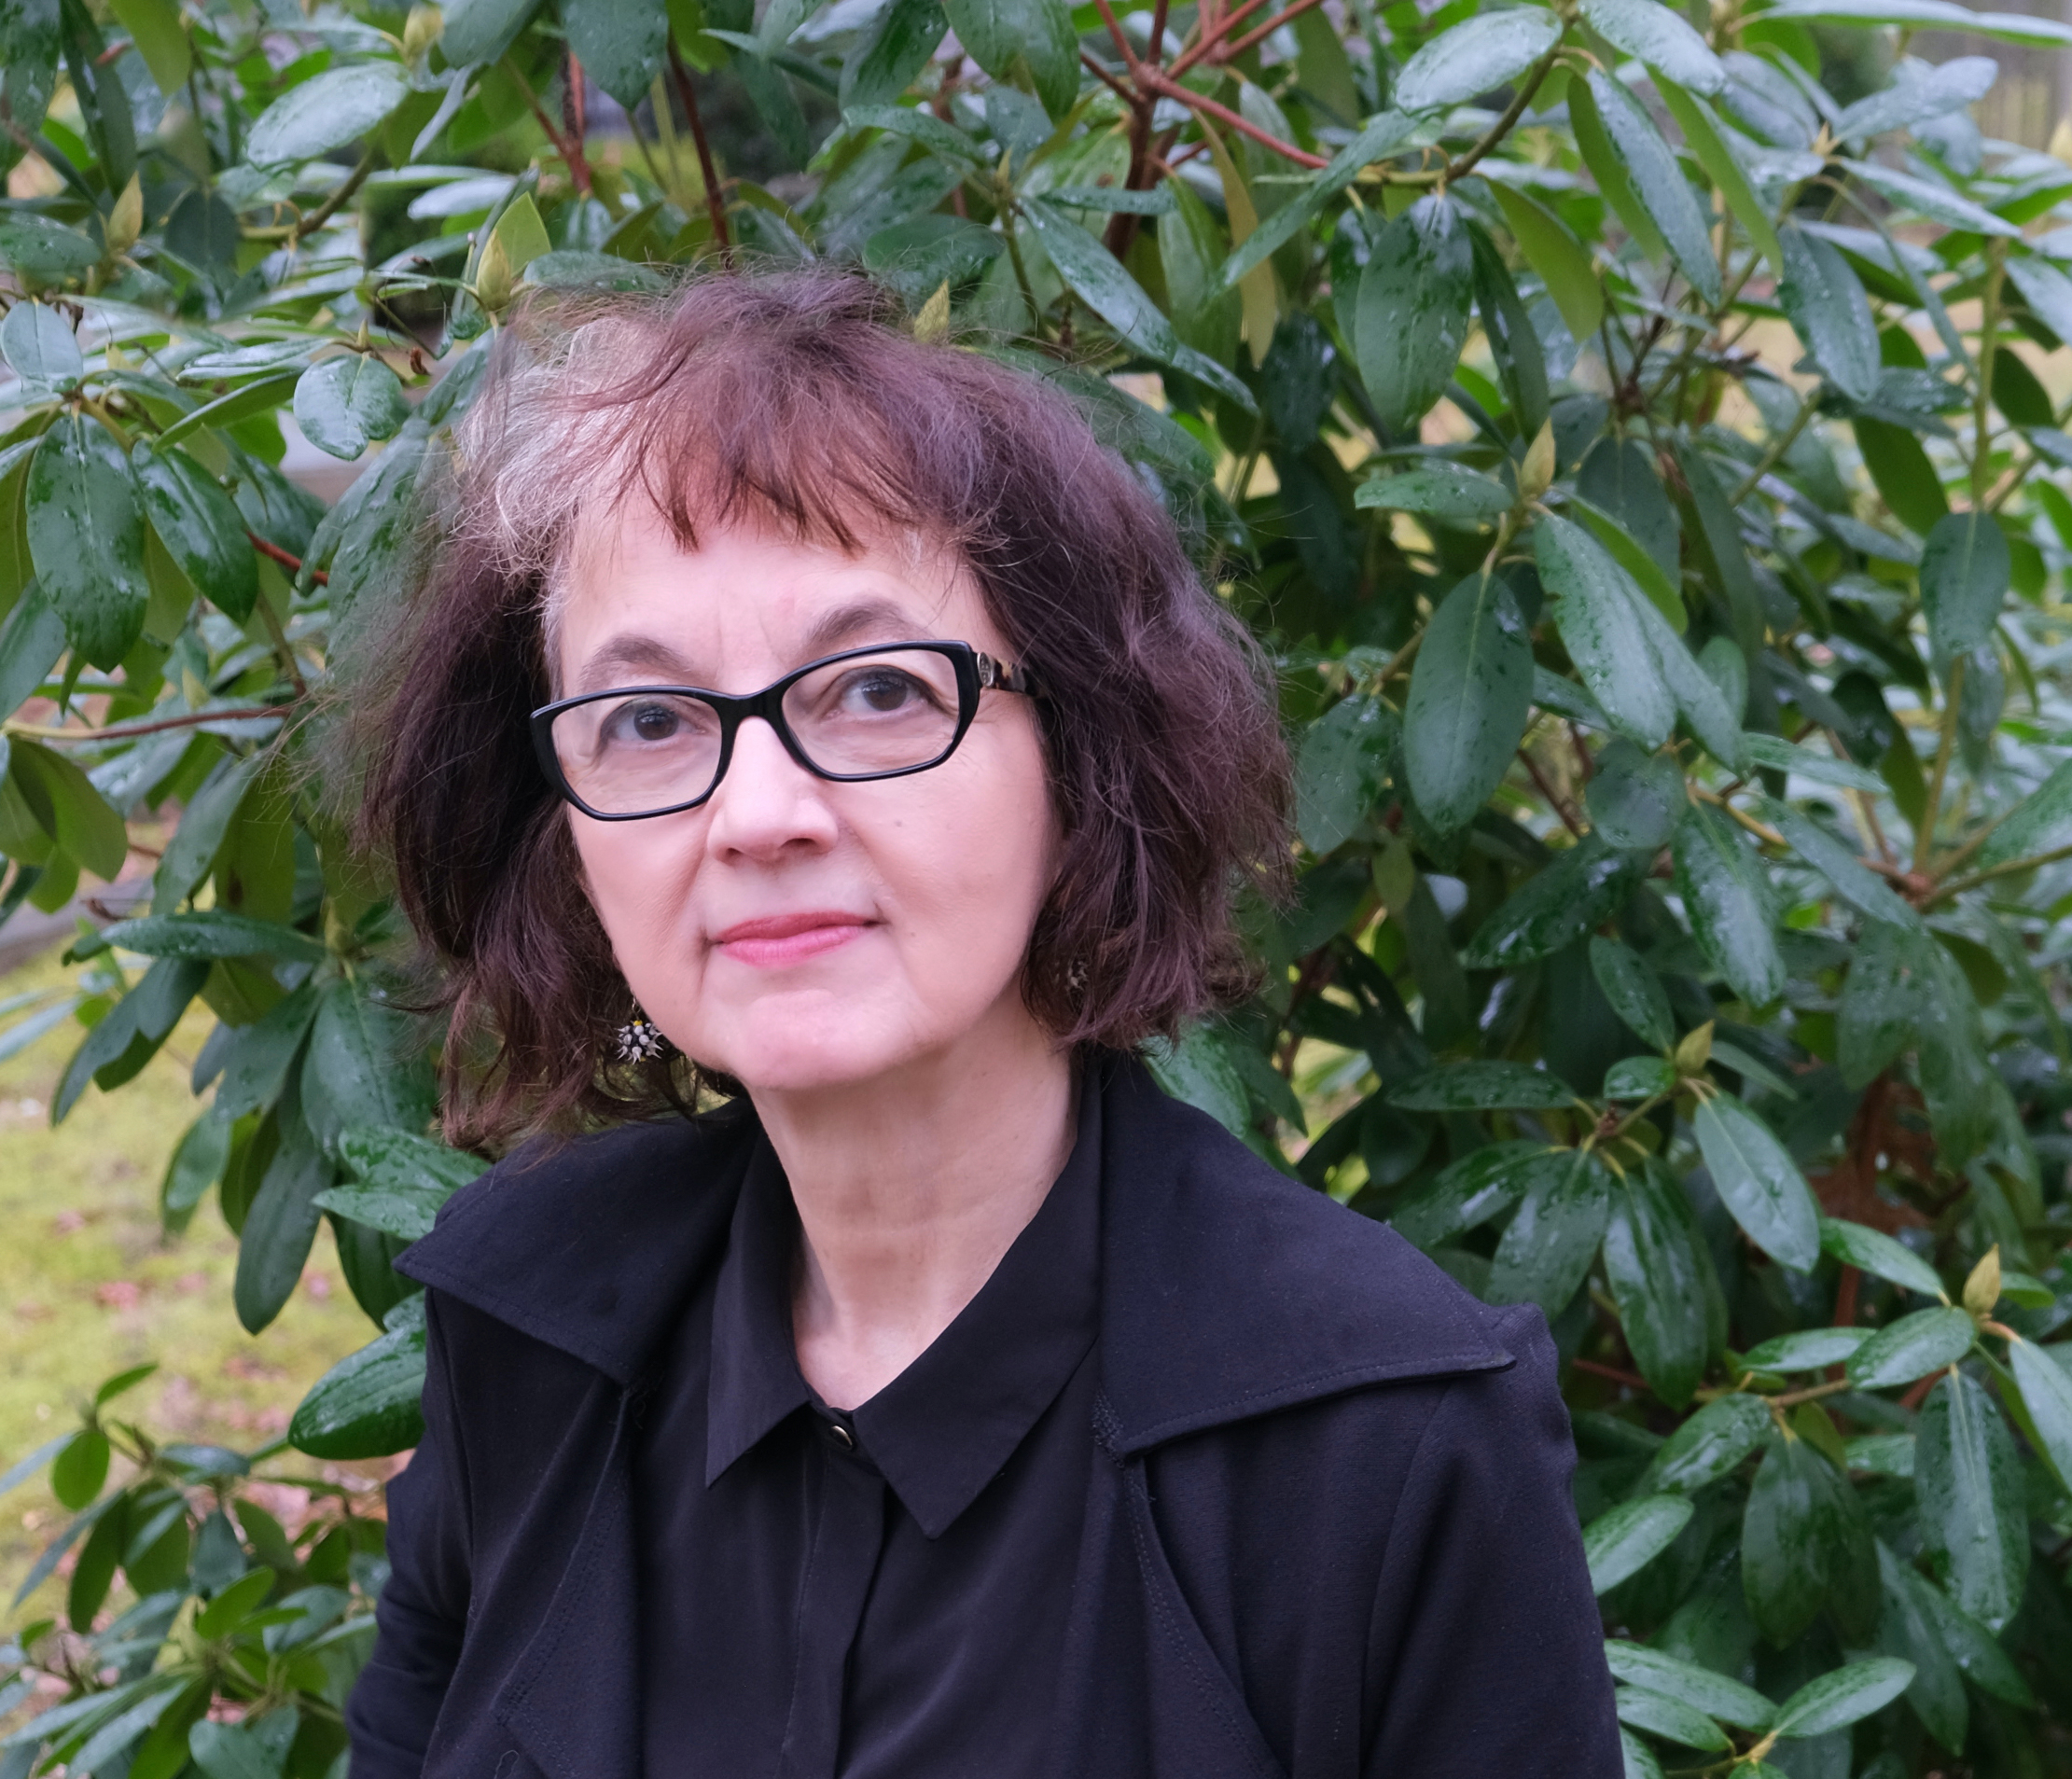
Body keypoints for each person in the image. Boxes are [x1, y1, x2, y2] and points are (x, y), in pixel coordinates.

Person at [342, 269, 1620, 1777]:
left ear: (1082, 761)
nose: (756, 813)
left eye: (877, 689)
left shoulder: (1382, 1443)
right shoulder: (527, 1327)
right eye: (646, 718)